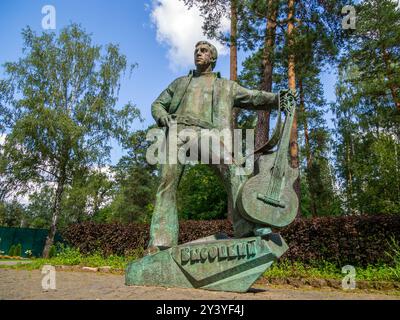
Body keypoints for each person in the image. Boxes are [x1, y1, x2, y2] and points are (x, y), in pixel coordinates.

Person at [147, 40, 282, 253]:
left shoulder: (226, 86)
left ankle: (247, 227)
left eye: (203, 51)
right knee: (166, 182)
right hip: (177, 130)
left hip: (206, 133)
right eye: (196, 50)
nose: (198, 53)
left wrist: (278, 99)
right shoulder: (180, 82)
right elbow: (158, 104)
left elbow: (253, 97)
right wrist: (162, 116)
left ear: (213, 58)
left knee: (233, 170)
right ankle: (161, 241)